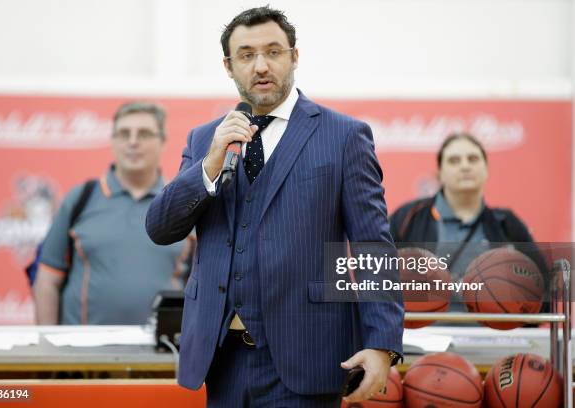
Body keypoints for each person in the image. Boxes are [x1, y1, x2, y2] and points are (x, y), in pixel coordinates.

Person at [145, 7, 403, 407]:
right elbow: (161, 228)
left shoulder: (344, 136)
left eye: (273, 52)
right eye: (246, 55)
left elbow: (373, 247)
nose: (261, 66)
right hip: (221, 359)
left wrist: (382, 343)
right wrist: (209, 164)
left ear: (294, 57)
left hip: (309, 359)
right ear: (229, 67)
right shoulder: (203, 141)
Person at [33, 101, 187, 325]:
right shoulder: (80, 199)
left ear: (162, 142)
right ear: (113, 141)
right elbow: (47, 280)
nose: (133, 142)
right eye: (124, 134)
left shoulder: (182, 204)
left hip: (162, 352)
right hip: (83, 354)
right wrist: (47, 349)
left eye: (144, 134)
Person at [389, 132, 546, 314]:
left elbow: (540, 288)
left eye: (473, 159)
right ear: (440, 173)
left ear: (486, 169)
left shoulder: (507, 224)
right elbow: (376, 275)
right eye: (454, 160)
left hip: (491, 338)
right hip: (424, 337)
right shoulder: (408, 217)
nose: (465, 166)